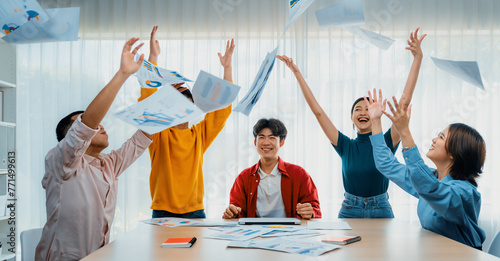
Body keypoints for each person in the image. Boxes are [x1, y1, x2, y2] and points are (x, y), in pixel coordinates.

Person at [276, 28, 426, 218]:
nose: (363, 112)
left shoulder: (386, 142)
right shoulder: (345, 145)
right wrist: (297, 74)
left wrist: (417, 59)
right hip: (350, 208)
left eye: (368, 108)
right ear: (351, 118)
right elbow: (319, 113)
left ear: (376, 113)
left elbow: (403, 104)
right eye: (358, 109)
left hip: (381, 208)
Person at [35, 38, 153, 260]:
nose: (101, 125)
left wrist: (171, 103)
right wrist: (123, 74)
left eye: (100, 124)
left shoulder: (108, 164)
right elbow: (86, 125)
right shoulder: (60, 161)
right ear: (70, 138)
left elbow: (140, 139)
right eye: (90, 125)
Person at [366, 90, 486, 249]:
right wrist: (375, 121)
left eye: (442, 137)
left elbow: (430, 188)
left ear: (455, 152)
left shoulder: (465, 193)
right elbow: (386, 164)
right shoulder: (431, 178)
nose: (434, 139)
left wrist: (404, 132)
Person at [139, 26, 235, 218]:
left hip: (195, 211)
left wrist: (227, 68)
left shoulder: (199, 134)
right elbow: (146, 103)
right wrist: (153, 57)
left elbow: (223, 109)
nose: (181, 103)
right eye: (176, 99)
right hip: (162, 212)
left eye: (186, 99)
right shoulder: (159, 133)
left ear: (193, 106)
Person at [223, 118, 321, 219]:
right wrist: (232, 213)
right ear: (255, 142)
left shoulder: (299, 174)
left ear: (281, 142)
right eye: (261, 137)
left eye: (272, 137)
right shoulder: (244, 177)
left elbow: (315, 209)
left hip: (290, 233)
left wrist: (311, 212)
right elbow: (236, 209)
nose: (266, 142)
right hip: (255, 233)